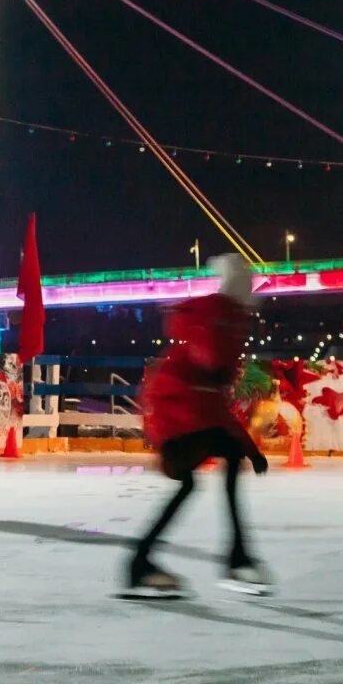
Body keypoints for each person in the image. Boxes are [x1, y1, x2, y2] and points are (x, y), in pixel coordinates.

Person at [131, 254, 270, 599]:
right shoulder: (219, 319)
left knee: (202, 476)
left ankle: (145, 563)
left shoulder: (224, 317)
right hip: (177, 415)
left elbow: (212, 397)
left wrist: (246, 447)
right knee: (209, 471)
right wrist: (247, 447)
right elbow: (208, 381)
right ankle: (145, 563)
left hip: (181, 413)